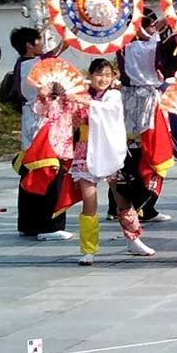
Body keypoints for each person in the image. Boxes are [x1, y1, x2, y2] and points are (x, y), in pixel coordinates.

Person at [56, 59, 134, 265]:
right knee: (89, 200)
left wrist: (82, 101)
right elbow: (69, 119)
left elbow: (108, 111)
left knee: (122, 197)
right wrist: (61, 99)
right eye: (99, 74)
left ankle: (134, 237)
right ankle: (88, 248)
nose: (104, 79)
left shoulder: (114, 95)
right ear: (90, 75)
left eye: (108, 75)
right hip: (86, 149)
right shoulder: (80, 95)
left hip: (109, 149)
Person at [110, 10, 174, 222]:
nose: (155, 29)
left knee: (130, 154)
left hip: (128, 101)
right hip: (149, 103)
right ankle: (145, 205)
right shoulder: (148, 47)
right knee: (149, 155)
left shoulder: (123, 46)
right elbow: (166, 55)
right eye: (151, 25)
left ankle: (118, 204)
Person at [11, 27, 70, 240]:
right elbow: (57, 51)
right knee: (51, 172)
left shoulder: (21, 65)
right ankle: (51, 224)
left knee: (31, 171)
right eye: (38, 40)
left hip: (32, 121)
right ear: (28, 44)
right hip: (43, 123)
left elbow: (53, 54)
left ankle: (28, 223)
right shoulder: (35, 65)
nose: (40, 44)